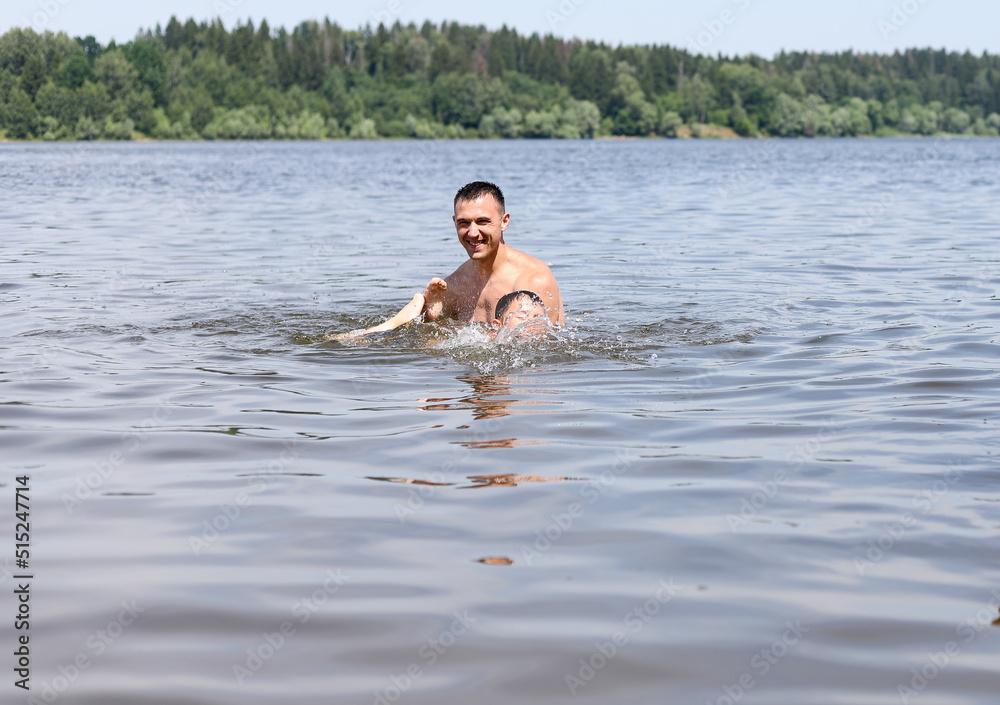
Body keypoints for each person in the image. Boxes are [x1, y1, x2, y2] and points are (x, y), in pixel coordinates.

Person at [422, 181, 564, 327]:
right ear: (454, 223)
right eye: (464, 222)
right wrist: (429, 318)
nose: (472, 233)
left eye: (482, 221)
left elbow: (540, 346)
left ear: (504, 221)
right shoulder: (453, 287)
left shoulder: (533, 280)